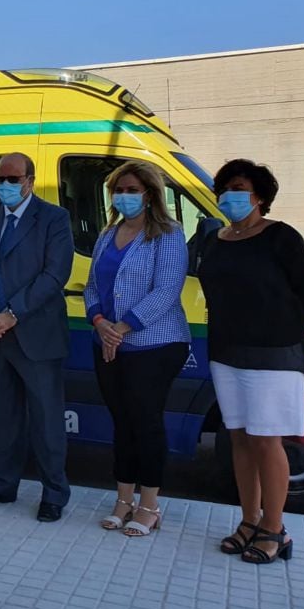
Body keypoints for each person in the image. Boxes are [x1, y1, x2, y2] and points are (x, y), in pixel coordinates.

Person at [198, 159, 304, 564]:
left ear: (260, 197)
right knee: (238, 437)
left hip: (273, 357)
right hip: (227, 354)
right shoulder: (214, 239)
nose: (228, 196)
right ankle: (249, 520)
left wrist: (281, 333)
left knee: (267, 440)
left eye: (237, 188)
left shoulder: (281, 237)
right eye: (224, 189)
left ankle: (275, 528)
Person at [0, 152, 74, 521]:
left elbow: (55, 275)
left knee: (46, 420)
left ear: (29, 180)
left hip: (33, 334)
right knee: (3, 418)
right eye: (0, 179)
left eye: (12, 179)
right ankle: (2, 485)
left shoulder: (54, 218)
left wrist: (10, 315)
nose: (4, 185)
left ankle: (54, 493)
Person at [82, 161, 191, 536]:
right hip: (109, 342)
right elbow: (92, 287)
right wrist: (101, 324)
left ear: (149, 194)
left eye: (131, 190)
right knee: (123, 423)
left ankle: (150, 505)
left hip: (155, 344)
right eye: (118, 190)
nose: (124, 196)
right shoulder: (106, 235)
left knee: (146, 423)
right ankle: (123, 500)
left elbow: (166, 290)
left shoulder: (168, 233)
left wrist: (122, 328)